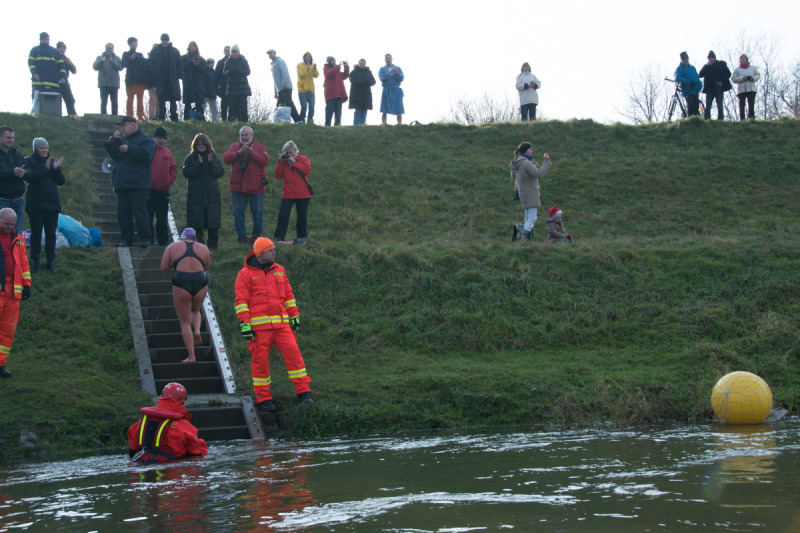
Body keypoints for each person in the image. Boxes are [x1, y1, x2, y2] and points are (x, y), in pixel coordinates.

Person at [235, 237, 313, 412]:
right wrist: (245, 324)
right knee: (260, 362)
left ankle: (304, 392)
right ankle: (263, 399)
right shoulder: (244, 274)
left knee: (294, 355)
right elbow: (241, 301)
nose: (275, 253)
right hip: (258, 329)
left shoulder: (280, 270)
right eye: (271, 250)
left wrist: (294, 315)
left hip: (281, 325)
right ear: (261, 253)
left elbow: (288, 296)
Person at [160, 228, 211, 363]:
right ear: (194, 238)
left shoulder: (172, 247)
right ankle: (198, 331)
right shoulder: (204, 248)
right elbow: (206, 267)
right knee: (195, 310)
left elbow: (163, 267)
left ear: (182, 237)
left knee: (184, 322)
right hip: (200, 280)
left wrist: (175, 263)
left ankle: (191, 356)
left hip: (181, 280)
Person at [103, 117, 155, 247]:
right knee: (123, 214)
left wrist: (129, 149)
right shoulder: (123, 139)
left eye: (124, 125)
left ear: (133, 125)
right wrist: (114, 142)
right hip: (121, 182)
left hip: (138, 184)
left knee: (140, 212)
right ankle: (126, 239)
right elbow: (116, 156)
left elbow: (148, 156)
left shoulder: (146, 140)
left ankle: (145, 239)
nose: (122, 128)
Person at [127, 382, 208, 463]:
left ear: (161, 396)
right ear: (183, 400)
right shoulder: (184, 427)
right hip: (169, 470)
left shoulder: (141, 423)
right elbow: (198, 453)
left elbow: (132, 451)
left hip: (140, 465)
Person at [23, 138, 65, 272]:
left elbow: (61, 181)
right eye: (41, 148)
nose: (44, 150)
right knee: (36, 233)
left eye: (46, 148)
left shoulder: (52, 162)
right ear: (36, 149)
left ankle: (50, 261)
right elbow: (30, 177)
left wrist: (55, 169)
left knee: (51, 233)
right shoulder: (28, 161)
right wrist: (46, 169)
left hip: (52, 204)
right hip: (35, 204)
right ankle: (35, 261)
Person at [0, 207, 32, 378]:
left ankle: (0, 363)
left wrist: (27, 284)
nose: (10, 227)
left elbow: (24, 263)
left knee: (8, 329)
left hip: (13, 292)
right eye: (7, 223)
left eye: (12, 224)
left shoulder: (18, 239)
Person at [223, 127, 269, 243]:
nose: (244, 137)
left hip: (256, 186)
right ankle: (242, 238)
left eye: (246, 135)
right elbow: (226, 159)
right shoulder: (235, 146)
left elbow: (265, 161)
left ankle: (257, 239)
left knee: (258, 214)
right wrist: (239, 153)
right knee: (238, 214)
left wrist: (251, 153)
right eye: (242, 135)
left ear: (252, 136)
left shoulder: (260, 147)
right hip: (238, 186)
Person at [184, 133, 225, 250]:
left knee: (213, 225)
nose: (201, 146)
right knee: (197, 225)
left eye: (203, 144)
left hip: (212, 197)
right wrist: (199, 164)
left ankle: (213, 249)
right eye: (198, 144)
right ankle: (198, 249)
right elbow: (187, 173)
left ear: (207, 145)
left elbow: (219, 173)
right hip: (196, 197)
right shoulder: (190, 158)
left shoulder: (214, 157)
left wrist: (211, 163)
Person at [510, 141, 551, 242]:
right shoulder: (526, 163)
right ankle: (524, 236)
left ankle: (527, 238)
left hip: (522, 192)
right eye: (530, 149)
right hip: (531, 192)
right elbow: (539, 174)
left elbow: (513, 175)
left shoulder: (517, 162)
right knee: (532, 217)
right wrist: (546, 162)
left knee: (528, 216)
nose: (532, 151)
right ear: (525, 151)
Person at [273, 141, 312, 244]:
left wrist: (295, 162)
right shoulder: (284, 162)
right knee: (283, 215)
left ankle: (302, 238)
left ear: (296, 151)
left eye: (290, 152)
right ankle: (279, 237)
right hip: (288, 193)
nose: (288, 154)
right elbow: (277, 176)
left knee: (301, 217)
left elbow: (306, 170)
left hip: (302, 193)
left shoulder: (303, 159)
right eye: (286, 152)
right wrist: (280, 163)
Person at [148, 126, 177, 246]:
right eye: (159, 138)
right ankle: (148, 239)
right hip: (149, 189)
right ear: (154, 138)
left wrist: (168, 181)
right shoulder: (149, 150)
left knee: (162, 217)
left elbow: (173, 168)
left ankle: (163, 240)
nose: (162, 141)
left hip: (163, 190)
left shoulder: (168, 152)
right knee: (148, 216)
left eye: (164, 139)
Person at [0, 126, 30, 234]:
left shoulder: (17, 154)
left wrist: (24, 173)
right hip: (2, 200)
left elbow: (26, 169)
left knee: (17, 233)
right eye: (8, 137)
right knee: (2, 234)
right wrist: (12, 172)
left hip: (18, 200)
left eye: (12, 138)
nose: (11, 140)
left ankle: (16, 251)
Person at [149, 34, 183, 122]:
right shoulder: (155, 50)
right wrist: (153, 75)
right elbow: (151, 63)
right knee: (161, 99)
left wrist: (179, 74)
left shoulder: (175, 51)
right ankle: (161, 117)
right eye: (163, 40)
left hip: (172, 79)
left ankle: (174, 117)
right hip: (160, 79)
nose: (164, 42)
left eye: (166, 40)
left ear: (168, 40)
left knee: (173, 99)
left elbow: (179, 64)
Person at [27, 32, 65, 102]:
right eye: (44, 40)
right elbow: (31, 63)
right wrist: (34, 73)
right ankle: (35, 112)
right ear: (40, 40)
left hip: (53, 83)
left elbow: (61, 66)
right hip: (38, 82)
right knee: (37, 100)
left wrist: (62, 77)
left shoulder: (55, 52)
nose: (46, 41)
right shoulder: (34, 50)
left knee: (53, 101)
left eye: (47, 40)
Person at [268, 49, 302, 123]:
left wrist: (284, 83)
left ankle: (298, 120)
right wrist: (275, 92)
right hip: (280, 88)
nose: (270, 55)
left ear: (275, 53)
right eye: (269, 54)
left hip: (286, 87)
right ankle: (281, 121)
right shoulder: (272, 65)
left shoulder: (280, 61)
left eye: (271, 53)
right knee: (284, 104)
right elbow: (275, 80)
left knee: (287, 103)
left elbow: (285, 72)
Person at [121, 37, 150, 121]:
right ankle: (130, 116)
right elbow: (123, 64)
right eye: (134, 42)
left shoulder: (140, 54)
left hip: (140, 81)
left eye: (136, 42)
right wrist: (131, 59)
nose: (136, 44)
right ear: (130, 43)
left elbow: (145, 64)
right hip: (130, 80)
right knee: (130, 98)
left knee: (140, 99)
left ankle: (140, 116)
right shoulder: (126, 54)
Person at [699, 50, 732, 120]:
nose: (710, 59)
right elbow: (700, 75)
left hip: (718, 87)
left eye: (712, 58)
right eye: (709, 58)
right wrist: (706, 66)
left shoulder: (721, 64)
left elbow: (728, 74)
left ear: (715, 58)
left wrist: (722, 82)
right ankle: (707, 119)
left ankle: (720, 119)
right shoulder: (706, 66)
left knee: (719, 104)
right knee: (708, 105)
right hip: (709, 88)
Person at [93, 43, 123, 115]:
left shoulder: (117, 58)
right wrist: (101, 61)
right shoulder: (99, 57)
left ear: (113, 49)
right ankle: (103, 116)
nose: (108, 50)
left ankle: (115, 117)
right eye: (107, 48)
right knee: (103, 102)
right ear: (105, 49)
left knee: (114, 102)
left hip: (114, 84)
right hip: (103, 84)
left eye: (110, 48)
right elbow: (95, 67)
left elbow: (120, 67)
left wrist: (112, 62)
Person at [224, 45, 251, 122]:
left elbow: (248, 71)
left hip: (243, 88)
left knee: (243, 108)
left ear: (238, 52)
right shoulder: (227, 61)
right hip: (232, 88)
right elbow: (225, 73)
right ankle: (232, 124)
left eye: (235, 52)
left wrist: (239, 71)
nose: (234, 53)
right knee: (232, 108)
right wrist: (231, 71)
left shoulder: (244, 61)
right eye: (232, 52)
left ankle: (245, 123)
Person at [731, 54, 760, 121]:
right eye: (741, 58)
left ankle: (751, 119)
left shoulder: (753, 68)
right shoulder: (737, 69)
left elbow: (758, 75)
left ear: (747, 59)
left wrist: (753, 78)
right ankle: (742, 120)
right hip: (741, 90)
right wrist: (742, 78)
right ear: (739, 60)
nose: (742, 59)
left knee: (751, 105)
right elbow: (733, 79)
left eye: (744, 58)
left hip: (751, 89)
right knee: (741, 106)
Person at [182, 41, 206, 121]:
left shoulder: (201, 59)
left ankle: (200, 118)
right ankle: (186, 118)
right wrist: (190, 63)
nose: (192, 48)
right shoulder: (184, 58)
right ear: (188, 47)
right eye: (191, 46)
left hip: (198, 84)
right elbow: (182, 68)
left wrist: (197, 65)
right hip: (188, 83)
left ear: (196, 48)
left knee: (199, 103)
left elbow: (204, 69)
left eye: (194, 46)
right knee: (187, 103)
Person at [674, 51, 702, 117]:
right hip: (687, 90)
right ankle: (690, 120)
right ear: (681, 60)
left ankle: (696, 120)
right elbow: (678, 77)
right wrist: (688, 82)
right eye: (684, 59)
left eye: (686, 58)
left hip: (695, 90)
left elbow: (696, 77)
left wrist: (699, 85)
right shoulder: (679, 69)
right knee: (691, 104)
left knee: (696, 106)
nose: (685, 60)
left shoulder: (692, 68)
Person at [323, 56, 349, 126]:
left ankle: (337, 124)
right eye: (332, 61)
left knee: (338, 111)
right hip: (331, 94)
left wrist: (346, 67)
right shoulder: (326, 68)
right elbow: (329, 74)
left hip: (339, 94)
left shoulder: (337, 70)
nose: (334, 62)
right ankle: (327, 124)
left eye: (335, 61)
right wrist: (337, 67)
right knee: (330, 109)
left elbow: (345, 75)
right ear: (329, 62)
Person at [379, 54, 404, 125]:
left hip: (396, 90)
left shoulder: (398, 68)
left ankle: (400, 124)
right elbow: (382, 78)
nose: (387, 60)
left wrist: (396, 73)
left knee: (398, 108)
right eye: (386, 59)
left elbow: (401, 78)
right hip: (386, 89)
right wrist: (389, 73)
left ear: (392, 59)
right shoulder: (382, 69)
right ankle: (384, 124)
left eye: (388, 58)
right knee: (384, 108)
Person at [349, 59, 376, 125]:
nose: (362, 65)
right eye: (361, 63)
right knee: (358, 111)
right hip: (356, 95)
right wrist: (362, 82)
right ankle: (356, 126)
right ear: (358, 64)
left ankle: (362, 125)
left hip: (366, 95)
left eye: (363, 64)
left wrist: (368, 83)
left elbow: (373, 81)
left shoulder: (368, 72)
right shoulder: (354, 72)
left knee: (364, 111)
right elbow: (352, 81)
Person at [56, 42, 77, 116]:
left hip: (65, 83)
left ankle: (72, 116)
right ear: (57, 48)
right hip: (55, 83)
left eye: (63, 48)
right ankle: (56, 116)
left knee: (70, 100)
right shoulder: (54, 58)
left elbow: (74, 71)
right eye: (60, 48)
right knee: (56, 100)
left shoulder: (66, 59)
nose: (62, 49)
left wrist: (70, 63)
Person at [297, 52, 318, 124]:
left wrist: (314, 69)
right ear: (304, 57)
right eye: (306, 56)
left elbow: (316, 75)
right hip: (302, 89)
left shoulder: (313, 65)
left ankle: (310, 120)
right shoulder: (299, 65)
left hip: (311, 89)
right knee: (304, 106)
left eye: (309, 56)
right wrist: (307, 68)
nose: (307, 57)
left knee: (312, 106)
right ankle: (302, 120)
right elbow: (300, 75)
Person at [215, 46, 231, 121]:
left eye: (229, 51)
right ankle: (224, 119)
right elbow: (217, 75)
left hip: (233, 86)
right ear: (224, 52)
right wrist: (216, 86)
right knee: (224, 105)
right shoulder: (220, 62)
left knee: (233, 105)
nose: (228, 52)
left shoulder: (234, 62)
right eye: (227, 51)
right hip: (223, 86)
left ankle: (232, 120)